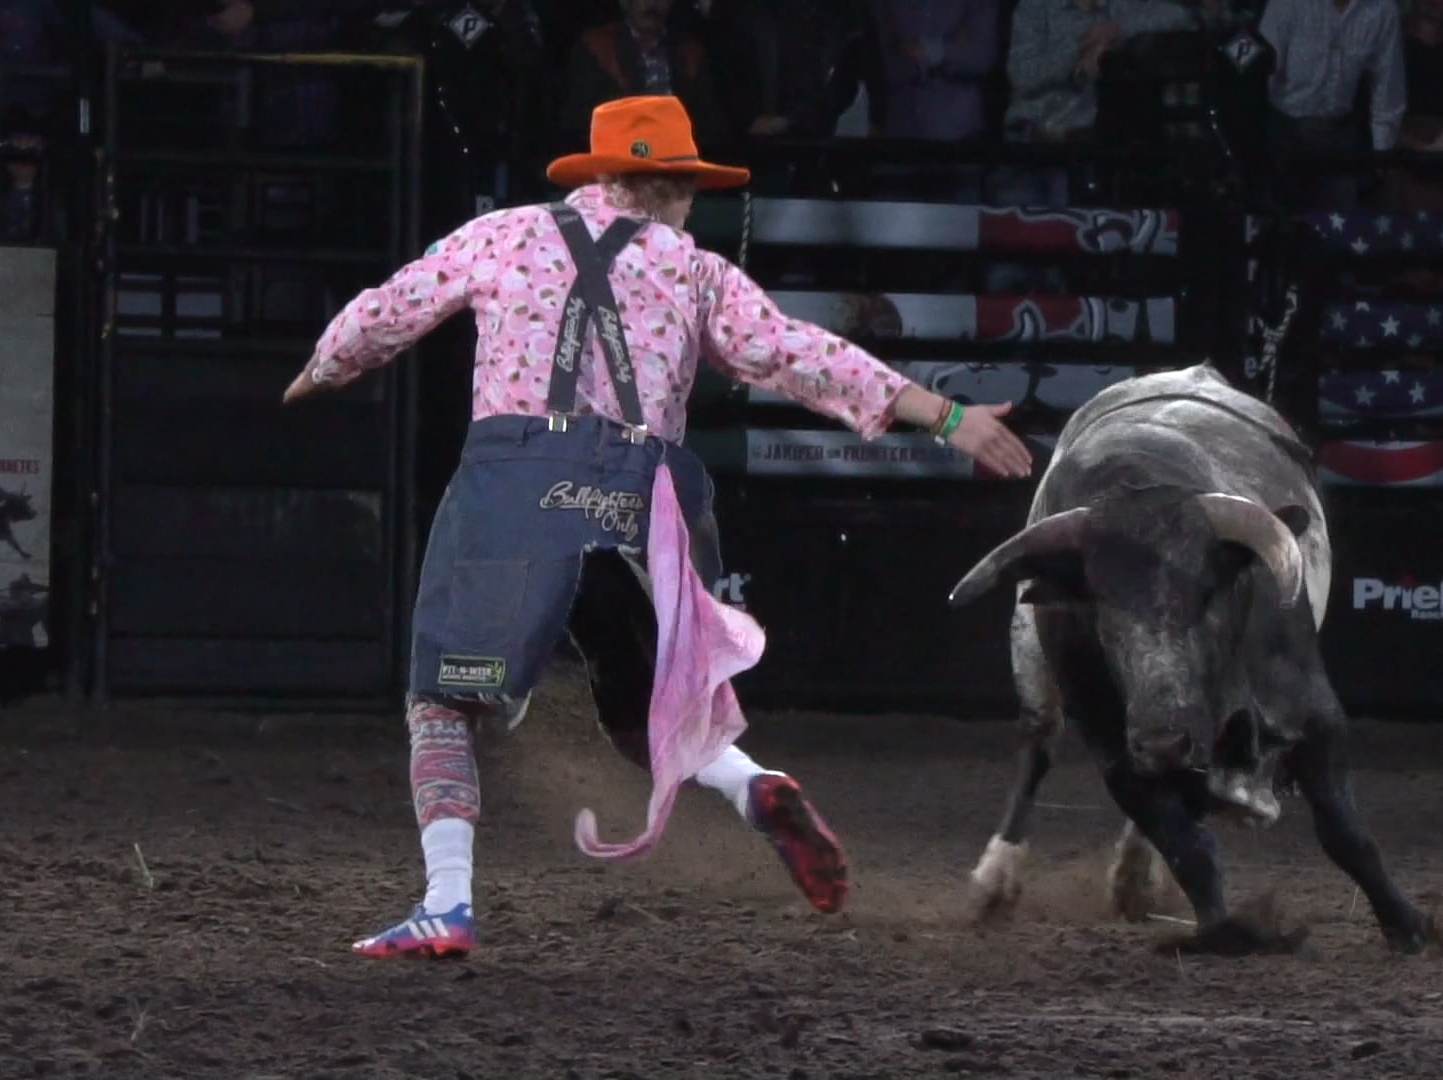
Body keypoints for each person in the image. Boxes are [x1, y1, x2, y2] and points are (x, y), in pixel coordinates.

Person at [282, 94, 1035, 959]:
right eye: (688, 190)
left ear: (604, 175)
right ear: (668, 187)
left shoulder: (502, 234)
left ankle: (447, 901)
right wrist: (944, 418)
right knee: (648, 706)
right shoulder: (694, 269)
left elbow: (392, 307)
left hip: (519, 481)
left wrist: (320, 369)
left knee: (441, 700)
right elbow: (796, 352)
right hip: (645, 500)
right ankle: (755, 789)